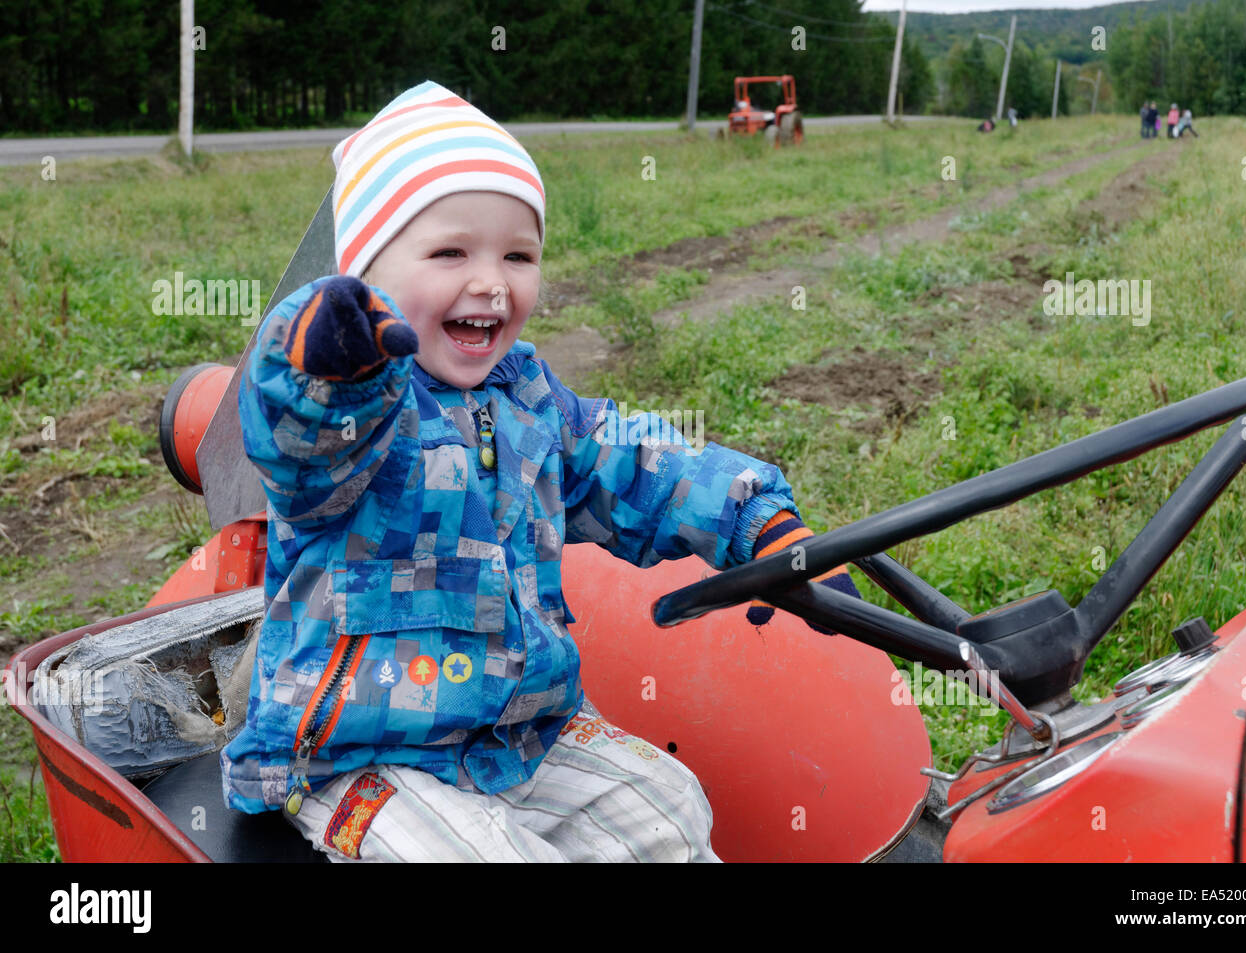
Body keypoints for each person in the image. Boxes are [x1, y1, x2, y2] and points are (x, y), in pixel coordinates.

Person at [221, 80, 861, 862]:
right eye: (452, 252)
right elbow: (299, 435)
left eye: (517, 255)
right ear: (366, 282)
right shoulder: (360, 415)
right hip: (359, 753)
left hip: (517, 738)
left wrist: (756, 522)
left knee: (672, 808)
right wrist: (326, 363)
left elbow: (638, 464)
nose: (492, 281)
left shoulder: (530, 397)